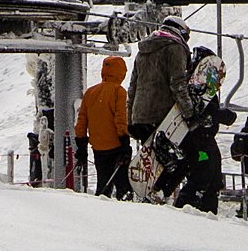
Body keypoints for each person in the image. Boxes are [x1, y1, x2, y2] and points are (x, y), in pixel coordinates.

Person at [127, 15, 195, 200]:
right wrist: (189, 113)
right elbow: (178, 84)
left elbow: (132, 88)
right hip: (163, 116)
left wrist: (130, 120)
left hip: (140, 117)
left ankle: (146, 193)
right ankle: (160, 193)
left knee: (153, 161)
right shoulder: (175, 48)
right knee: (184, 157)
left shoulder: (143, 52)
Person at [169, 48, 236, 213]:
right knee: (203, 173)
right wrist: (222, 115)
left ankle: (204, 207)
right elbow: (203, 111)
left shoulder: (194, 86)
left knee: (209, 175)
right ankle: (190, 206)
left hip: (201, 139)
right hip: (200, 140)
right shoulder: (196, 88)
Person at [75, 55, 131, 198]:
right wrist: (125, 143)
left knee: (103, 184)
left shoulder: (90, 92)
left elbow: (81, 122)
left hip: (98, 148)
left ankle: (101, 213)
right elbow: (120, 119)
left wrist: (81, 147)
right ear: (121, 72)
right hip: (116, 146)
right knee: (123, 187)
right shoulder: (119, 92)